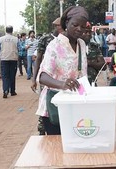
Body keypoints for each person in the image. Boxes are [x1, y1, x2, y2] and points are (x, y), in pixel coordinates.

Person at [35, 6, 89, 135]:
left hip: (75, 104)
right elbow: (42, 76)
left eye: (83, 26)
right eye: (75, 25)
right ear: (66, 23)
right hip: (55, 107)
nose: (79, 29)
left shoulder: (81, 44)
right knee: (58, 148)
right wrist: (62, 84)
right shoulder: (55, 45)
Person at [31, 17, 64, 136]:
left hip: (60, 78)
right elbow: (38, 58)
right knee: (46, 106)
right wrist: (34, 79)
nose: (61, 28)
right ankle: (42, 128)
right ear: (56, 26)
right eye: (60, 25)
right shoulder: (46, 39)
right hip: (47, 77)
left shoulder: (68, 39)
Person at [0, 26, 19, 98]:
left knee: (5, 76)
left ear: (6, 31)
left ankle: (5, 90)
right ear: (12, 31)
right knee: (12, 75)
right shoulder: (16, 39)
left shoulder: (1, 39)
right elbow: (20, 48)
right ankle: (12, 91)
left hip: (4, 59)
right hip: (13, 58)